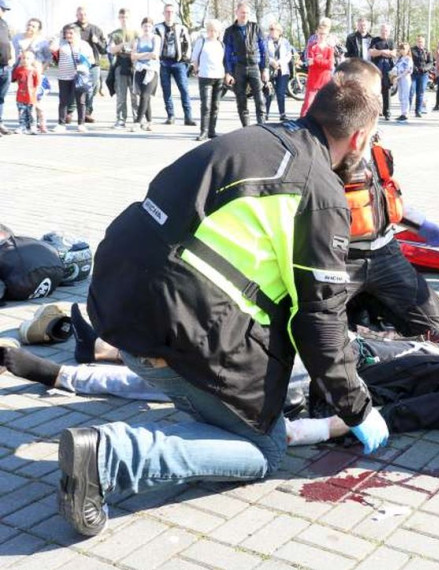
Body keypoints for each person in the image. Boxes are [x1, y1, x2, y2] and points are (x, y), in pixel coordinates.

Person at [56, 61, 387, 538]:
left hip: (113, 302)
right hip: (164, 327)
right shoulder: (321, 191)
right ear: (359, 139)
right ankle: (110, 457)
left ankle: (197, 408)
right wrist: (357, 409)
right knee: (265, 450)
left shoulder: (257, 137)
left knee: (255, 386)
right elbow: (321, 323)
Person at [1, 313, 439, 444]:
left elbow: (403, 416)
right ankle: (94, 349)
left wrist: (324, 429)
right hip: (323, 349)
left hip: (319, 384)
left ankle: (64, 374)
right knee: (203, 350)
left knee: (192, 377)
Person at [341, 132, 439, 336]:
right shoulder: (318, 150)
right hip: (338, 258)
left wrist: (421, 224)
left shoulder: (374, 146)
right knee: (318, 329)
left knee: (436, 329)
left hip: (386, 254)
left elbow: (386, 199)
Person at [223, 1, 268, 127]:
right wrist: (228, 72)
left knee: (259, 98)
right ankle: (246, 127)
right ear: (236, 13)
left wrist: (265, 69)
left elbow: (264, 50)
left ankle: (262, 126)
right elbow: (226, 54)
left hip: (254, 67)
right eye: (242, 12)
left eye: (247, 13)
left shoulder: (256, 27)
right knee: (241, 99)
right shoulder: (229, 31)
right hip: (239, 68)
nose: (245, 15)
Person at [153, 3, 194, 126]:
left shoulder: (181, 28)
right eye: (167, 11)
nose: (169, 14)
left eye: (171, 12)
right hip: (163, 63)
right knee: (166, 90)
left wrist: (186, 59)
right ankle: (170, 116)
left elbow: (188, 44)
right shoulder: (157, 28)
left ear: (174, 13)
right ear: (163, 13)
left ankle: (188, 117)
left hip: (178, 63)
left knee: (184, 89)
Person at [12, 17, 51, 133]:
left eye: (33, 26)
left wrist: (41, 70)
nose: (30, 27)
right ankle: (24, 124)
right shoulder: (17, 38)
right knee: (23, 99)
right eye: (29, 24)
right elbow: (14, 54)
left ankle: (41, 124)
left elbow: (48, 58)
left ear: (38, 29)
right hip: (22, 74)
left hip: (36, 73)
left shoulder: (42, 41)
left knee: (38, 100)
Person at [190, 19, 226, 141]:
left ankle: (212, 131)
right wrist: (196, 69)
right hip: (205, 76)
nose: (212, 33)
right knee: (206, 105)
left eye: (215, 30)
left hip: (219, 77)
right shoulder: (202, 42)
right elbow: (194, 58)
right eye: (210, 30)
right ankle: (203, 131)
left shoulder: (221, 44)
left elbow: (224, 60)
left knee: (215, 105)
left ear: (219, 32)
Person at [69, 6, 106, 122]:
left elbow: (104, 49)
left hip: (93, 64)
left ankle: (87, 112)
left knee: (92, 89)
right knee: (75, 87)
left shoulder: (96, 29)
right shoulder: (72, 28)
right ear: (76, 15)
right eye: (80, 14)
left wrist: (97, 42)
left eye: (84, 14)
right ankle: (70, 112)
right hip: (76, 63)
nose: (82, 16)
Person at [52, 26, 92, 132]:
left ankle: (81, 124)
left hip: (79, 76)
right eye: (66, 33)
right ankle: (61, 124)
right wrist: (59, 36)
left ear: (77, 34)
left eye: (71, 33)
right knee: (63, 101)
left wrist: (82, 65)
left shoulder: (84, 45)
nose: (68, 35)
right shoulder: (61, 43)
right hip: (64, 76)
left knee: (81, 101)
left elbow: (91, 59)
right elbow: (52, 48)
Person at [107, 8, 138, 129]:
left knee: (135, 94)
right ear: (119, 18)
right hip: (120, 65)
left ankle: (137, 119)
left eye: (126, 17)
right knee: (121, 95)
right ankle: (120, 120)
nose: (124, 19)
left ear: (129, 17)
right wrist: (123, 45)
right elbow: (111, 50)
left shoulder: (136, 33)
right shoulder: (115, 34)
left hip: (135, 65)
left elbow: (140, 48)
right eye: (122, 17)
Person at [131, 17, 161, 132]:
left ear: (152, 27)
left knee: (145, 95)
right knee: (144, 96)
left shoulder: (156, 38)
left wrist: (140, 55)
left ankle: (138, 122)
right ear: (141, 27)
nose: (147, 28)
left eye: (149, 26)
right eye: (145, 26)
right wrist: (146, 54)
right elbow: (133, 56)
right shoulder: (138, 39)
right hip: (139, 70)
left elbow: (155, 54)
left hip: (151, 70)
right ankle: (149, 122)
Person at [301, 18, 336, 117]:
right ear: (316, 33)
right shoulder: (311, 46)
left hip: (325, 81)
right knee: (307, 104)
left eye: (324, 34)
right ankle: (301, 123)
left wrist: (316, 60)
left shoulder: (329, 49)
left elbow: (330, 65)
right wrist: (322, 62)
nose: (321, 36)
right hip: (313, 81)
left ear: (327, 34)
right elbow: (309, 61)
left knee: (326, 106)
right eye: (320, 33)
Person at [264, 22, 294, 122]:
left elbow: (288, 55)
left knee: (280, 93)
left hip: (282, 69)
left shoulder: (285, 42)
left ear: (279, 31)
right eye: (270, 29)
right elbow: (264, 54)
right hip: (269, 69)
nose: (272, 31)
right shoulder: (265, 41)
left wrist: (280, 63)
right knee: (268, 92)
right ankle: (265, 113)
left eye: (274, 29)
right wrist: (272, 62)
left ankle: (282, 114)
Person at [369, 24, 396, 120]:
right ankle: (374, 112)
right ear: (380, 30)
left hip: (388, 69)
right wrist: (383, 52)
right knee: (375, 90)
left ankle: (387, 112)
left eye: (386, 30)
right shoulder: (375, 40)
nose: (384, 32)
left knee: (387, 90)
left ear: (389, 32)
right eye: (383, 30)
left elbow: (394, 54)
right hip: (376, 69)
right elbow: (371, 52)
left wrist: (381, 52)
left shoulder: (391, 41)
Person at [12, 48, 40, 134]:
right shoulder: (18, 70)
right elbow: (14, 79)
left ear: (32, 60)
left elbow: (37, 83)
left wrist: (36, 94)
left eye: (28, 58)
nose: (25, 60)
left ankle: (32, 127)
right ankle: (22, 126)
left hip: (31, 96)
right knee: (21, 112)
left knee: (31, 112)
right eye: (23, 58)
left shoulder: (34, 71)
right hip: (20, 96)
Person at [411, 35, 431, 117]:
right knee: (411, 91)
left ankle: (418, 111)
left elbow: (430, 63)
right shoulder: (412, 50)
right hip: (413, 74)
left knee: (420, 93)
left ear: (424, 42)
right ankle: (406, 110)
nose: (420, 43)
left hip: (423, 74)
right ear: (416, 42)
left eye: (422, 41)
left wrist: (425, 68)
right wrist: (414, 68)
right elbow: (409, 60)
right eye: (419, 41)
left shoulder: (427, 51)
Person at [0, 0, 12, 134]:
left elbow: (7, 42)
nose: (3, 12)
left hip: (5, 66)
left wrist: (12, 58)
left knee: (1, 98)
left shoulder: (4, 24)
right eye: (2, 9)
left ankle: (0, 123)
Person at [394, 42, 413, 122]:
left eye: (404, 49)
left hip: (405, 78)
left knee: (405, 96)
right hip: (399, 79)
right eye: (401, 49)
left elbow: (407, 71)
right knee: (400, 97)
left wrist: (398, 77)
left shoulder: (408, 59)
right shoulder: (400, 58)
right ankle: (402, 113)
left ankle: (405, 114)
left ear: (408, 50)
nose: (402, 50)